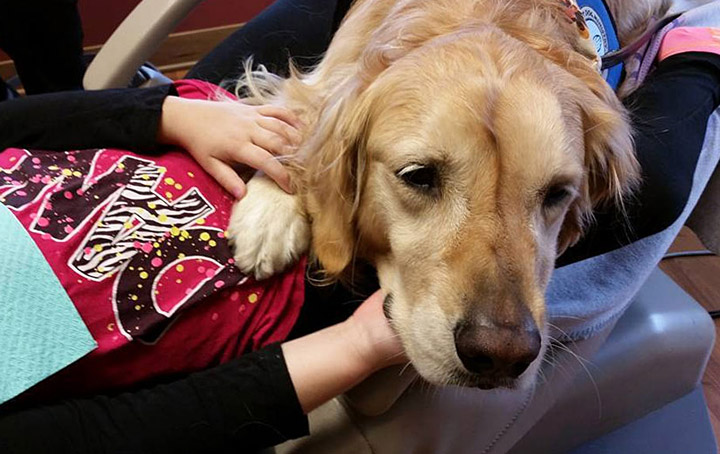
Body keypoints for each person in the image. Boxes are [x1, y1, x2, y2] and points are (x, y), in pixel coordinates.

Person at [0, 0, 719, 453]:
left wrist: (164, 112)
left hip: (178, 139)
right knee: (644, 186)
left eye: (550, 194)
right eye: (422, 178)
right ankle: (700, 58)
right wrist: (353, 347)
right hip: (247, 294)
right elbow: (124, 432)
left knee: (310, 17)